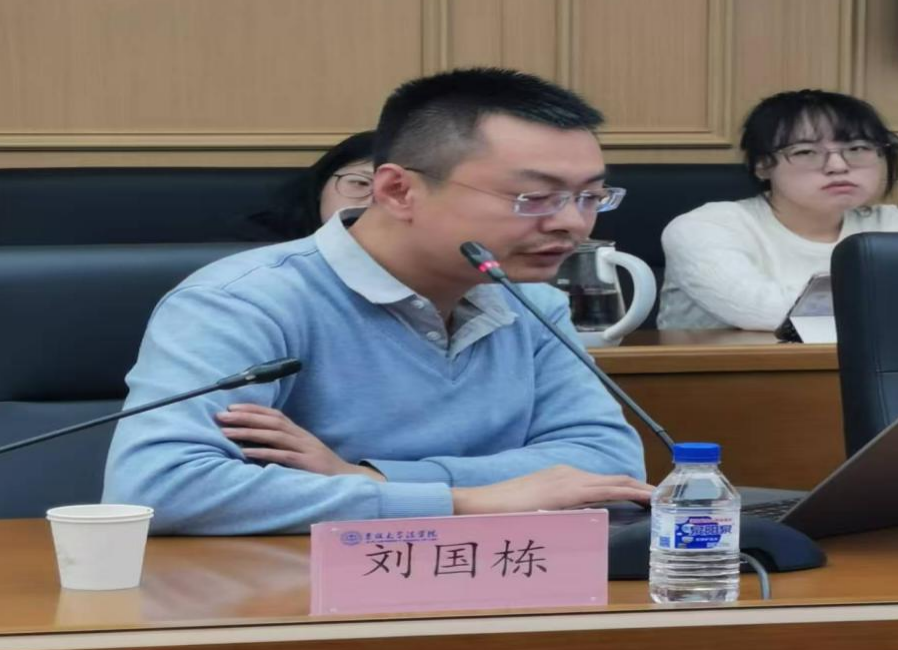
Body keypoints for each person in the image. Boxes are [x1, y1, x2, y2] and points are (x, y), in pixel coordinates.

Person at [103, 67, 650, 534]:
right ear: (397, 191)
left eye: (590, 196)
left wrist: (371, 478)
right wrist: (461, 502)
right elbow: (160, 487)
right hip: (290, 598)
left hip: (497, 585)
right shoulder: (245, 300)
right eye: (535, 197)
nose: (572, 223)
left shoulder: (531, 302)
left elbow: (607, 466)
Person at [658, 89, 898, 331]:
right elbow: (766, 313)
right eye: (805, 152)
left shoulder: (890, 224)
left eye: (857, 149)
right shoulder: (704, 228)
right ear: (763, 165)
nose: (838, 166)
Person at [246, 131, 375, 240]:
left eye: (386, 189)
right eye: (361, 183)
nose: (371, 202)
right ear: (322, 184)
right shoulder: (255, 242)